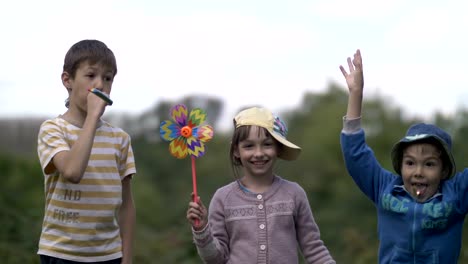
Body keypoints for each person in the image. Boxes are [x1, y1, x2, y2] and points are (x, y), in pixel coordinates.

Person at [340, 49, 468, 263]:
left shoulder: (456, 196)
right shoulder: (385, 189)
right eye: (410, 163)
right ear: (400, 166)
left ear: (444, 170)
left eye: (429, 164)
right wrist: (356, 94)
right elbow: (355, 155)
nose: (418, 172)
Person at [186, 106, 336, 264]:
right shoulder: (223, 198)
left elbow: (314, 250)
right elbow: (215, 259)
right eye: (249, 146)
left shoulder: (294, 193)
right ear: (236, 150)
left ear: (278, 148)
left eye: (267, 144)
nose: (258, 153)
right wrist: (201, 229)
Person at [37, 39, 136, 264]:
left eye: (108, 78)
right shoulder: (52, 130)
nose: (100, 85)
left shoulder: (119, 139)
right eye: (91, 76)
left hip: (109, 255)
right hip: (61, 253)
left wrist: (127, 258)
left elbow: (127, 205)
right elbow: (72, 172)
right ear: (67, 80)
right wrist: (92, 117)